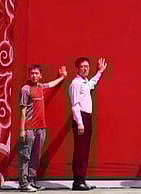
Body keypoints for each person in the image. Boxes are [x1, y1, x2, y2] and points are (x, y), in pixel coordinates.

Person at [18, 64, 68, 192]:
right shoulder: (25, 89)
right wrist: (22, 130)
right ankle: (23, 184)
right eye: (32, 73)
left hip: (41, 128)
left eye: (36, 73)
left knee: (36, 156)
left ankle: (31, 180)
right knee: (25, 156)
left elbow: (51, 84)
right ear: (29, 75)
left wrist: (62, 77)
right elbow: (22, 111)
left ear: (40, 75)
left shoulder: (40, 87)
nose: (34, 75)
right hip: (29, 128)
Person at [69, 57, 107, 191]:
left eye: (87, 66)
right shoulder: (76, 83)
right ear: (77, 68)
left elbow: (92, 83)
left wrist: (100, 71)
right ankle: (77, 181)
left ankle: (82, 180)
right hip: (81, 118)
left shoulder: (85, 82)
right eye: (82, 67)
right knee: (80, 151)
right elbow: (74, 105)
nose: (85, 69)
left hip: (87, 118)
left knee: (84, 151)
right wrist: (79, 123)